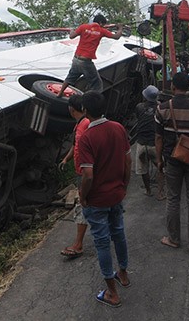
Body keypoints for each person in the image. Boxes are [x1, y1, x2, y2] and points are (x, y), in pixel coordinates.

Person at [77, 91, 132, 308]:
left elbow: (88, 175)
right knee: (119, 233)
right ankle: (124, 274)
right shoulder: (118, 128)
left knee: (101, 243)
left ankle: (112, 292)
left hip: (97, 199)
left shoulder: (86, 138)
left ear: (85, 111)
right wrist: (124, 185)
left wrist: (83, 196)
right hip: (116, 194)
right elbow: (127, 161)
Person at [154, 72, 189, 253]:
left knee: (173, 198)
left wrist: (159, 161)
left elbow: (158, 138)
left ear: (172, 87)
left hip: (172, 159)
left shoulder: (162, 109)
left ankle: (173, 239)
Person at [57, 14, 123, 96]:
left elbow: (71, 36)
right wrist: (120, 28)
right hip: (86, 62)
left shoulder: (83, 27)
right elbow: (116, 36)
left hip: (76, 59)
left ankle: (59, 93)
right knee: (97, 85)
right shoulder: (102, 31)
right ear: (101, 23)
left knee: (70, 77)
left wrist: (71, 31)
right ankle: (91, 101)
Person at [58, 94, 90, 259]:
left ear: (71, 109)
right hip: (81, 171)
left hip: (85, 172)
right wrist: (66, 158)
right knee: (87, 205)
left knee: (83, 205)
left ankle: (78, 244)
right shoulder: (79, 124)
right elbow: (76, 145)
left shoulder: (86, 124)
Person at [130, 85, 164, 199]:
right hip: (154, 144)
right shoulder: (160, 108)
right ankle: (161, 193)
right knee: (160, 168)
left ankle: (148, 190)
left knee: (143, 169)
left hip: (141, 143)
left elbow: (140, 117)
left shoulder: (139, 107)